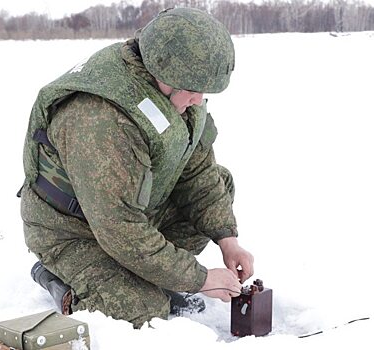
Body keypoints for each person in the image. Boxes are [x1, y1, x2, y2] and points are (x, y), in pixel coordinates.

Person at [19, 7, 254, 328]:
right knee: (141, 313)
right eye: (193, 89)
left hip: (131, 211)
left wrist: (228, 239)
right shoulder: (100, 120)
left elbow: (199, 172)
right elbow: (120, 229)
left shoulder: (174, 91)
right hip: (73, 231)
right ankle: (62, 280)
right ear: (165, 71)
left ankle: (140, 274)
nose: (198, 100)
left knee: (221, 184)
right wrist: (198, 278)